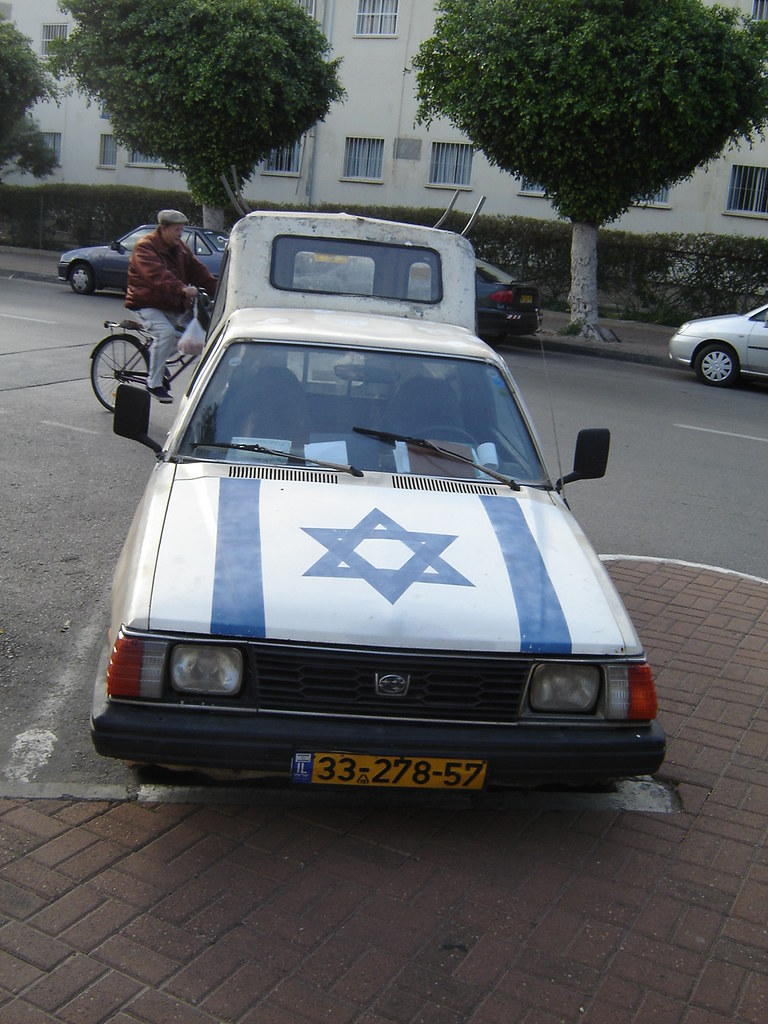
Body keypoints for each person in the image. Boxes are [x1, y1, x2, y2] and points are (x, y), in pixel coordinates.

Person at [125, 209, 217, 403]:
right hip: (145, 302)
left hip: (171, 304)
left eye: (182, 229)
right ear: (164, 228)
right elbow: (156, 275)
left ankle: (156, 357)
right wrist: (182, 289)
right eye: (176, 229)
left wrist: (221, 289)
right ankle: (154, 383)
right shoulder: (145, 247)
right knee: (166, 333)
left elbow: (198, 270)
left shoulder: (180, 248)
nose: (180, 233)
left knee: (193, 336)